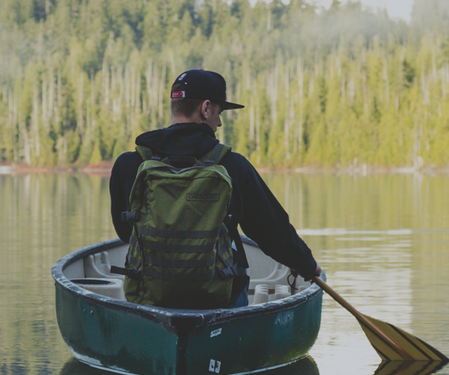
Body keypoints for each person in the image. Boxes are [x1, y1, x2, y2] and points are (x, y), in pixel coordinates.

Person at [110, 69, 321, 308]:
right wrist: (305, 263)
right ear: (206, 108)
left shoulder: (129, 164)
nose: (219, 122)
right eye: (219, 113)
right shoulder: (232, 165)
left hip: (148, 296)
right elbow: (272, 231)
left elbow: (124, 232)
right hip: (217, 299)